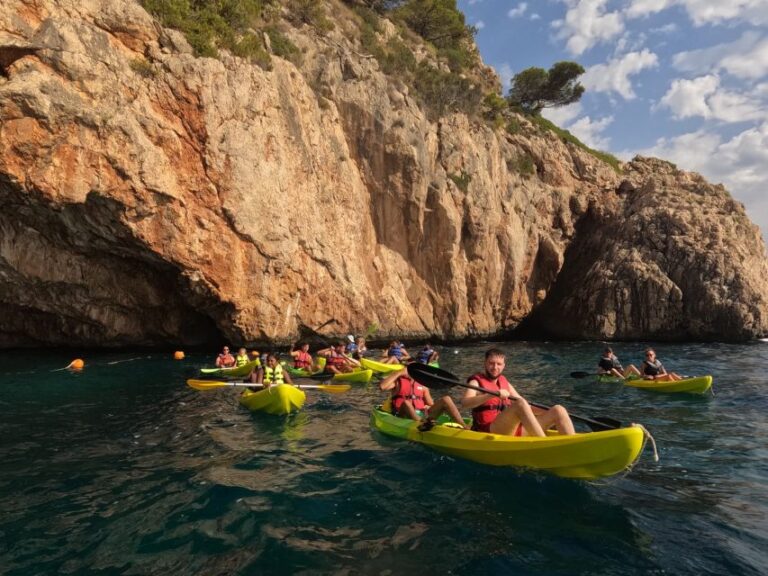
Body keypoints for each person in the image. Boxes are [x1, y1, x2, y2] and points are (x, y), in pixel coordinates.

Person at [461, 348, 575, 437]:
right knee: (520, 403)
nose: (495, 367)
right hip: (490, 429)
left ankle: (573, 444)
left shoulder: (505, 383)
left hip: (512, 428)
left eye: (499, 364)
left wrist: (546, 410)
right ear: (485, 363)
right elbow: (465, 403)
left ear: (504, 366)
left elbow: (526, 407)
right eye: (491, 363)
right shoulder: (475, 382)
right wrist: (491, 394)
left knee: (558, 410)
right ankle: (543, 443)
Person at [380, 368, 467, 430]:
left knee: (446, 399)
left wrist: (428, 407)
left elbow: (431, 404)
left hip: (422, 415)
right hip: (402, 415)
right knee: (406, 403)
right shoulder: (398, 382)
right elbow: (382, 386)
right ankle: (421, 425)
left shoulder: (422, 385)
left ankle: (464, 427)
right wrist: (399, 372)